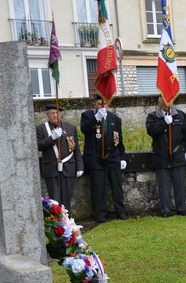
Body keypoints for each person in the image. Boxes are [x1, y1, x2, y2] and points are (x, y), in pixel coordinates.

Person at [80, 94, 128, 223]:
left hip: (112, 157)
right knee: (98, 188)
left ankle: (120, 211)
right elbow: (84, 129)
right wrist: (96, 118)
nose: (102, 107)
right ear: (94, 105)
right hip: (95, 158)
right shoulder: (87, 116)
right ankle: (99, 214)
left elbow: (120, 139)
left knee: (117, 187)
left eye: (105, 104)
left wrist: (122, 157)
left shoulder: (115, 119)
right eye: (99, 104)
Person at [146, 95, 186, 217]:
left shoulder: (180, 115)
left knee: (180, 184)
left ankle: (181, 209)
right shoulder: (153, 116)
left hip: (178, 155)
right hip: (161, 156)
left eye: (169, 100)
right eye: (164, 100)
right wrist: (163, 123)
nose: (167, 103)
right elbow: (151, 131)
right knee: (164, 185)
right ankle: (165, 210)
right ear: (159, 101)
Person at [36, 104, 84, 214]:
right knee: (54, 200)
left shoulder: (70, 127)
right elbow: (38, 146)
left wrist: (80, 166)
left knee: (67, 198)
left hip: (68, 167)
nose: (55, 115)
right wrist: (51, 138)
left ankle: (68, 223)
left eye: (57, 113)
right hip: (51, 169)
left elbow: (75, 149)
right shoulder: (42, 128)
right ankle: (57, 224)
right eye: (52, 113)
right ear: (47, 115)